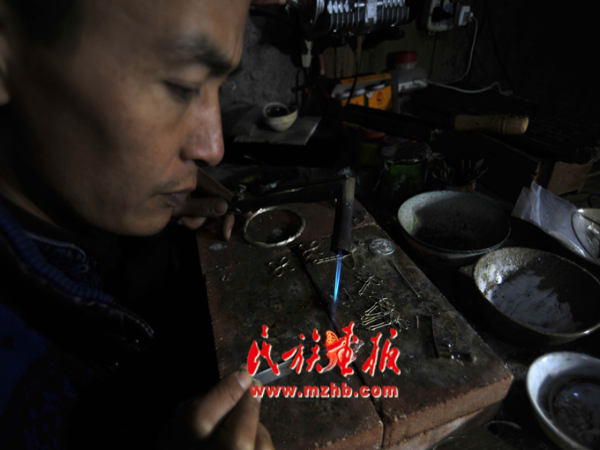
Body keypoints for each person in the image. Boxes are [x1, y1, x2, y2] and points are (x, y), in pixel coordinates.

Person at [0, 0, 273, 448]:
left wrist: (162, 231)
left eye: (219, 87)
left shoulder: (86, 214)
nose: (213, 148)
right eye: (183, 86)